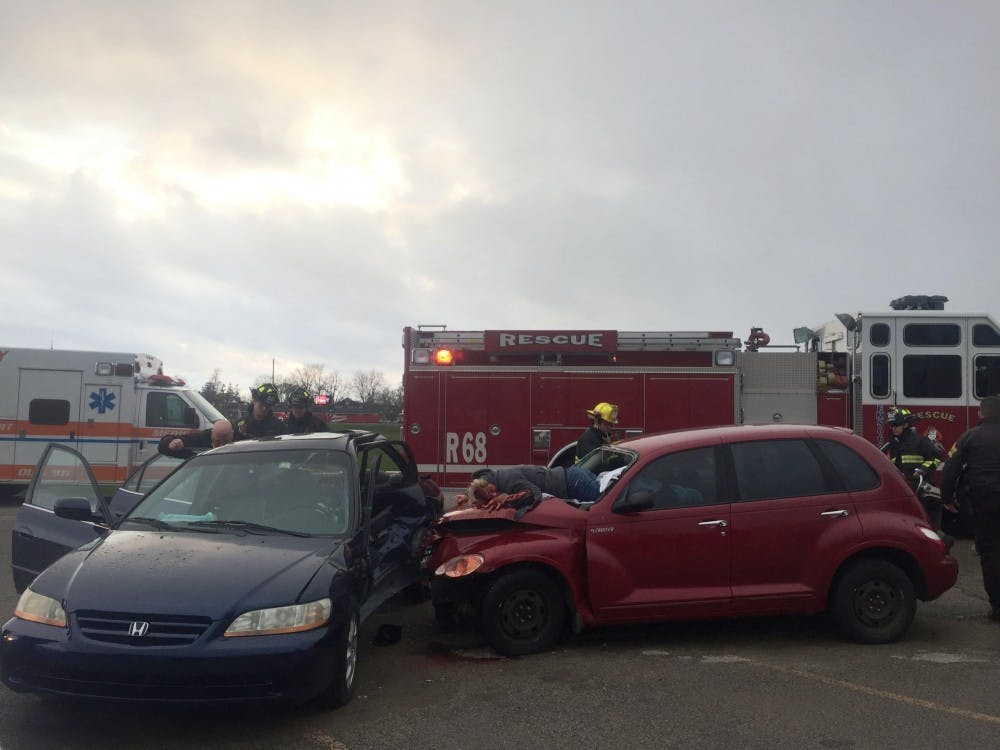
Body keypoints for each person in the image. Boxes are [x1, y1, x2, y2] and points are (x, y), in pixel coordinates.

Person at [940, 395, 1000, 622]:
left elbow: (950, 468)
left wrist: (947, 498)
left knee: (991, 554)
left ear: (980, 413)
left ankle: (997, 606)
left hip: (984, 504)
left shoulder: (969, 437)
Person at [883, 407, 944, 528]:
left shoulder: (920, 441)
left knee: (927, 525)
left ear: (906, 424)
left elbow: (936, 458)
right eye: (891, 425)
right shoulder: (893, 444)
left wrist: (922, 470)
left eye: (896, 424)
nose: (893, 428)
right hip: (903, 491)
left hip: (921, 491)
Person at [462, 464, 601, 516]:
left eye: (491, 491)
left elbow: (534, 493)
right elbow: (476, 487)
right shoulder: (491, 478)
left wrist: (505, 498)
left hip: (574, 482)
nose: (493, 494)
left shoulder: (508, 479)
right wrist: (467, 497)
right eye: (489, 496)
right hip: (574, 477)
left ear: (488, 483)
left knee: (606, 509)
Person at [158, 418, 234, 458]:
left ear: (232, 434)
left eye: (226, 441)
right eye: (218, 441)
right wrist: (171, 443)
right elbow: (162, 446)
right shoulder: (201, 438)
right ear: (212, 433)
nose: (221, 445)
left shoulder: (240, 439)